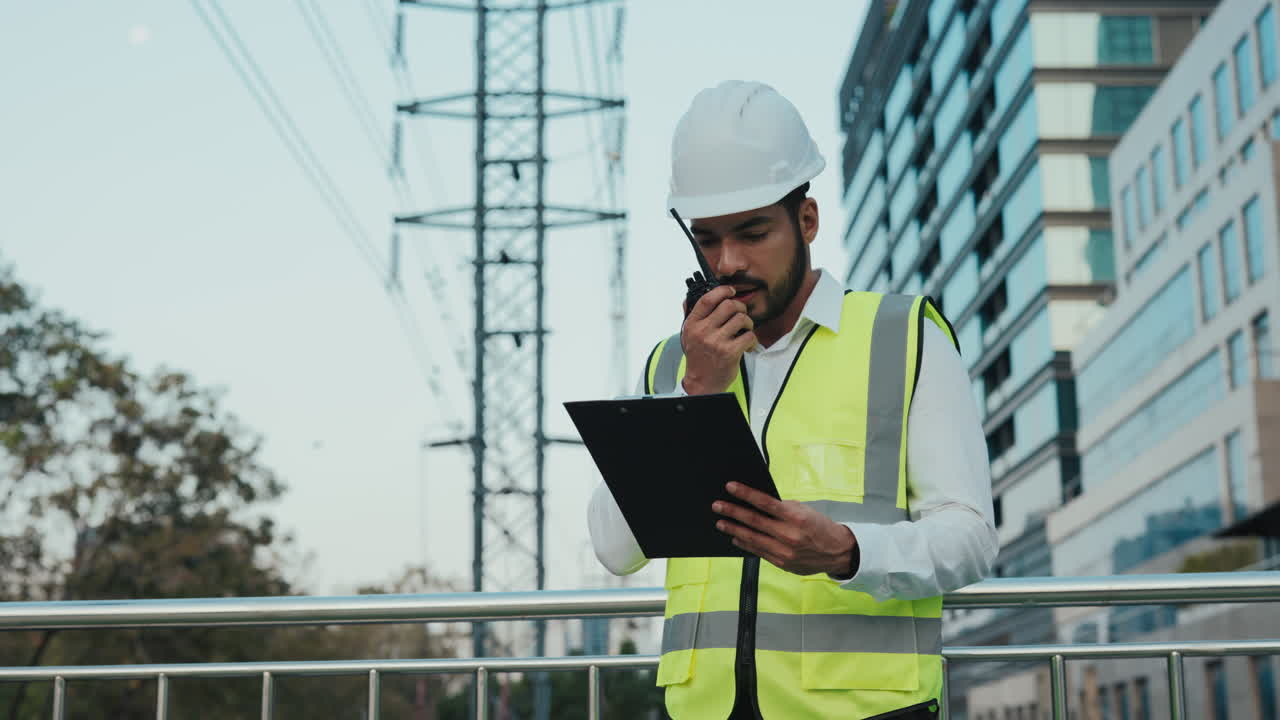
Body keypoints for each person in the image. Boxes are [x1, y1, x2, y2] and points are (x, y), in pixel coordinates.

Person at [587, 80, 996, 720]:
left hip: (866, 713)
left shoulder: (903, 337)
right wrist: (696, 392)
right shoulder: (677, 364)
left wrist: (847, 551)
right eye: (709, 239)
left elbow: (972, 536)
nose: (728, 263)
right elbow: (614, 548)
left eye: (752, 234)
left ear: (806, 221)